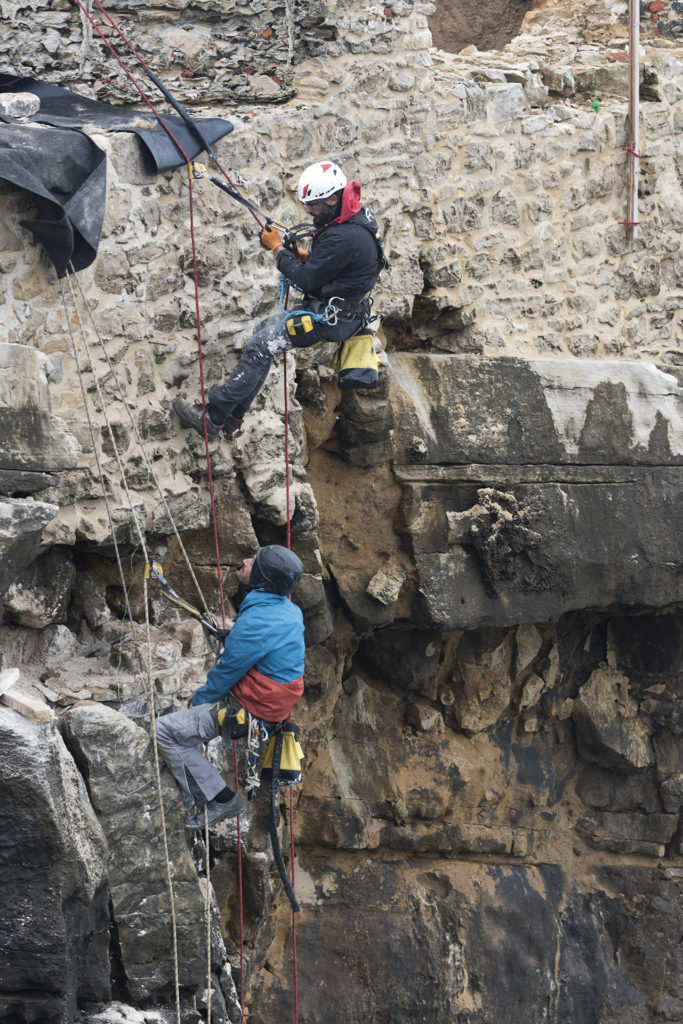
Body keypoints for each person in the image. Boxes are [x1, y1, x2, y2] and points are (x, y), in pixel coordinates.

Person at [172, 159, 388, 440]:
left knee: (263, 345)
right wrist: (300, 255)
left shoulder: (343, 235)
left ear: (333, 198)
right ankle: (233, 416)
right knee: (262, 333)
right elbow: (336, 267)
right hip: (345, 310)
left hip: (332, 319)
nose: (308, 211)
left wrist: (277, 249)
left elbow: (308, 280)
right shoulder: (353, 216)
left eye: (313, 205)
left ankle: (213, 416)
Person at [156, 544, 305, 828]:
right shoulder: (288, 610)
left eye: (254, 563)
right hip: (272, 709)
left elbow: (227, 671)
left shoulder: (258, 622)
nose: (246, 561)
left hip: (249, 709)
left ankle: (220, 799)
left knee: (164, 731)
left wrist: (198, 702)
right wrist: (236, 630)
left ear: (263, 579)